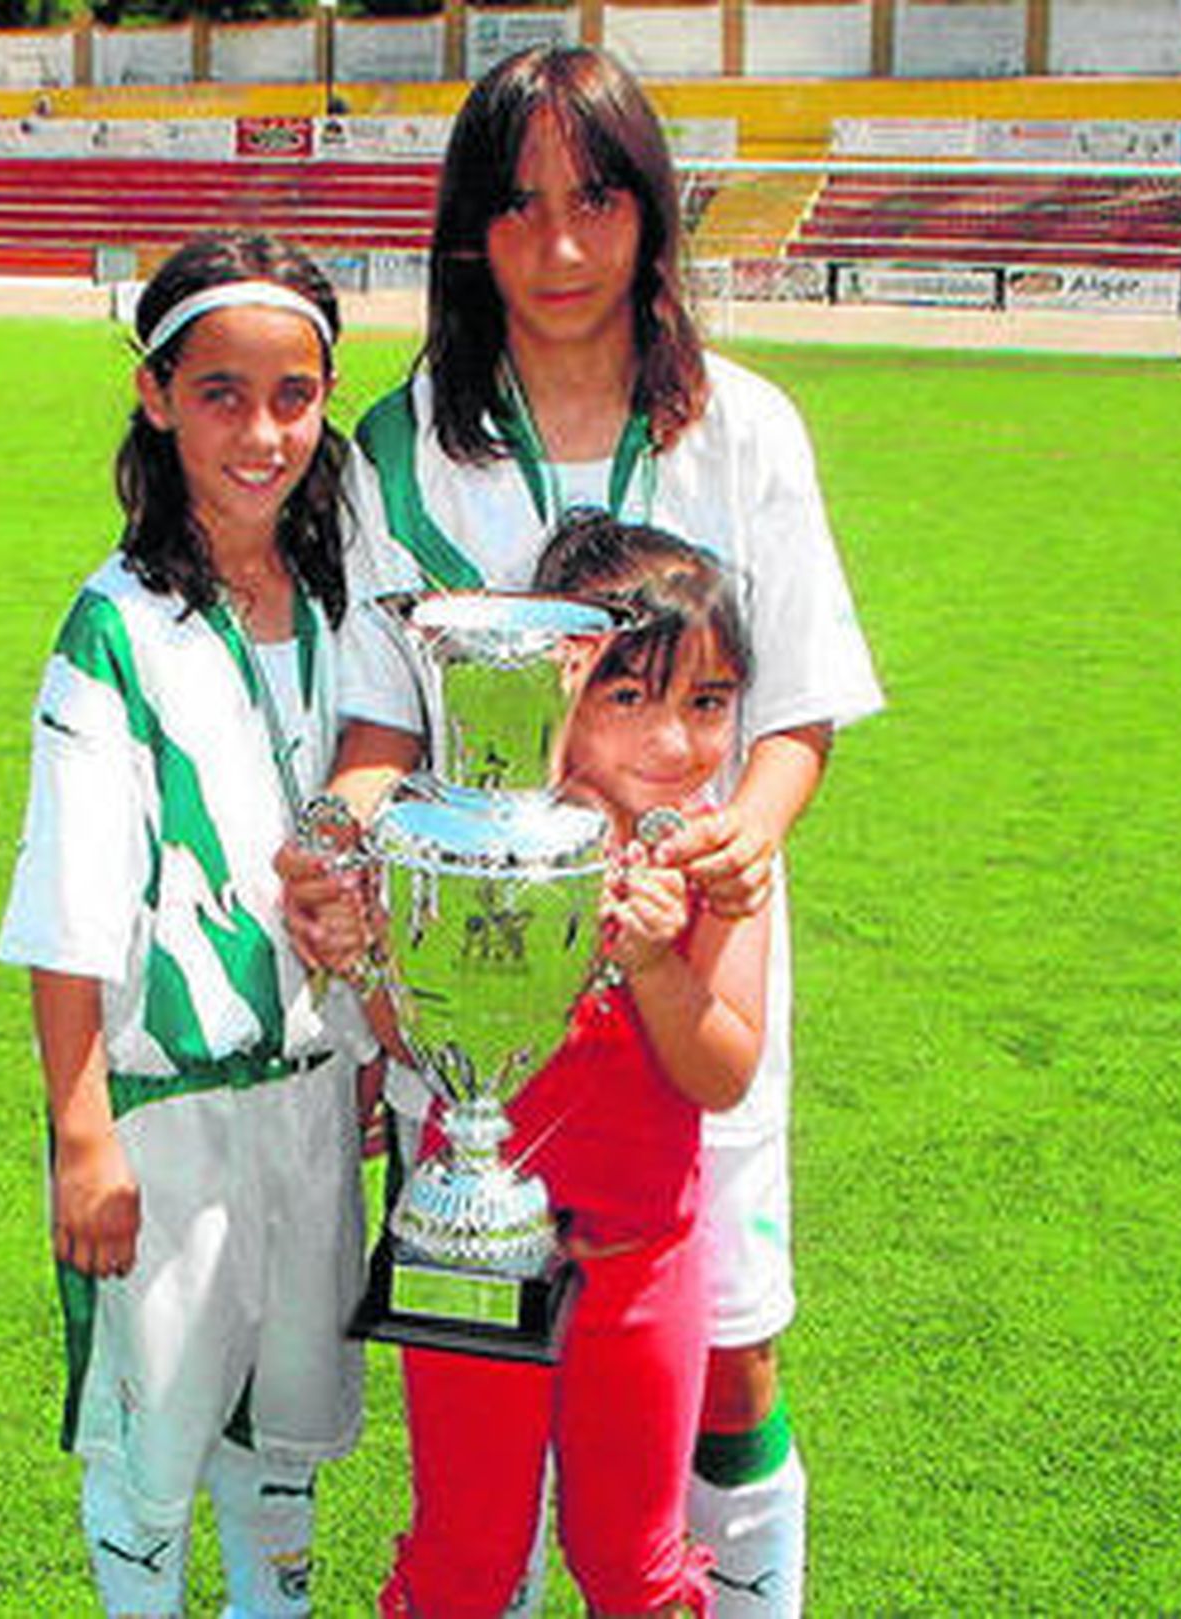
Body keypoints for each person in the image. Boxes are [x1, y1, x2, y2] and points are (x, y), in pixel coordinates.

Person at [279, 45, 884, 1614]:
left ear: (653, 216)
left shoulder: (745, 428)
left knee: (728, 1356)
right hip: (473, 1007)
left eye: (599, 200)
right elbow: (378, 727)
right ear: (468, 231)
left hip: (692, 964)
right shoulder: (400, 445)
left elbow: (797, 703)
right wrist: (339, 853)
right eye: (522, 206)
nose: (561, 248)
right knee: (485, 1384)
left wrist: (741, 834)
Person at [0, 231, 371, 1618]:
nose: (262, 430)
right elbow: (71, 897)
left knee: (283, 1436)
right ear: (155, 396)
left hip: (312, 1099)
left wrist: (372, 1062)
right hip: (165, 1115)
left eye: (293, 394)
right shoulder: (115, 625)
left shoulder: (337, 603)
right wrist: (84, 1130)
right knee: (150, 1449)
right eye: (220, 391)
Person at [377, 513, 771, 1616]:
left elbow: (722, 1071)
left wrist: (651, 961)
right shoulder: (480, 845)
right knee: (465, 1558)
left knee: (632, 1568)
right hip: (473, 1257)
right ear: (561, 691)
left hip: (642, 1266)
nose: (675, 740)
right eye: (629, 696)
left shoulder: (721, 863)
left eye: (707, 701)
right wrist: (383, 939)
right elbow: (411, 1029)